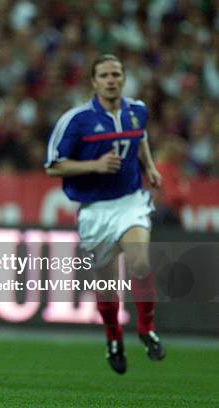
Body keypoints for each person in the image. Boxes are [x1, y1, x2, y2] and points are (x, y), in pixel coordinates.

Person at [45, 54, 166, 375]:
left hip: (130, 200)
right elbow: (53, 166)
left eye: (116, 74)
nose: (111, 79)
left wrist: (149, 166)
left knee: (140, 262)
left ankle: (146, 328)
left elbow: (139, 138)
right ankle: (113, 336)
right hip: (95, 210)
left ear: (123, 78)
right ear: (94, 81)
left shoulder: (136, 110)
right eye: (105, 75)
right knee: (108, 285)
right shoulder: (77, 120)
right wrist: (94, 166)